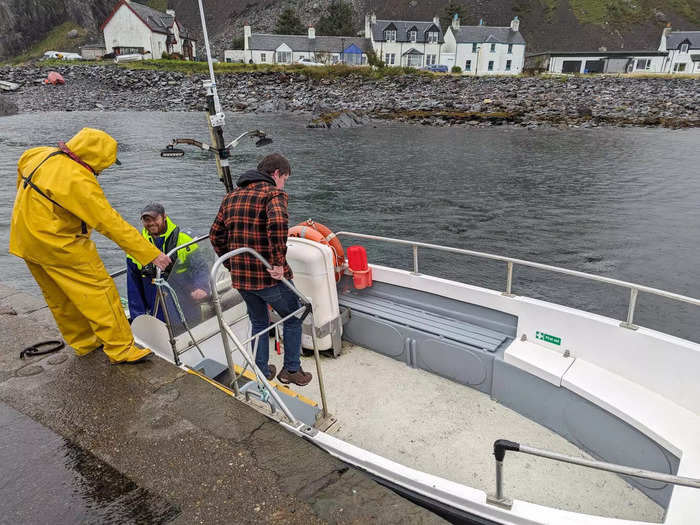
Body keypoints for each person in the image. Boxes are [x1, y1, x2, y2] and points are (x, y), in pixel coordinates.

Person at [9, 127, 171, 364]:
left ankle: (84, 342)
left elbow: (21, 178)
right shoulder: (78, 179)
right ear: (96, 158)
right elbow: (109, 222)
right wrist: (150, 254)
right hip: (60, 245)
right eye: (104, 164)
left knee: (59, 298)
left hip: (25, 240)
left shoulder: (37, 154)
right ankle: (121, 349)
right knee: (101, 292)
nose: (103, 170)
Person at [209, 153, 312, 386]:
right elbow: (277, 226)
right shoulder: (274, 194)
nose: (284, 184)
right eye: (285, 178)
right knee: (294, 316)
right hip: (269, 278)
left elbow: (215, 234)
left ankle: (262, 370)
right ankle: (291, 370)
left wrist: (231, 264)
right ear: (276, 174)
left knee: (259, 321)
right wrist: (277, 263)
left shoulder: (231, 197)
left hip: (242, 279)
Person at [126, 203, 208, 329]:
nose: (151, 223)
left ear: (164, 217)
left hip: (186, 305)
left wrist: (201, 287)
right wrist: (138, 317)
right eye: (146, 220)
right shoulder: (137, 247)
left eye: (155, 219)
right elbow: (133, 287)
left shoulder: (184, 239)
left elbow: (200, 267)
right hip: (157, 308)